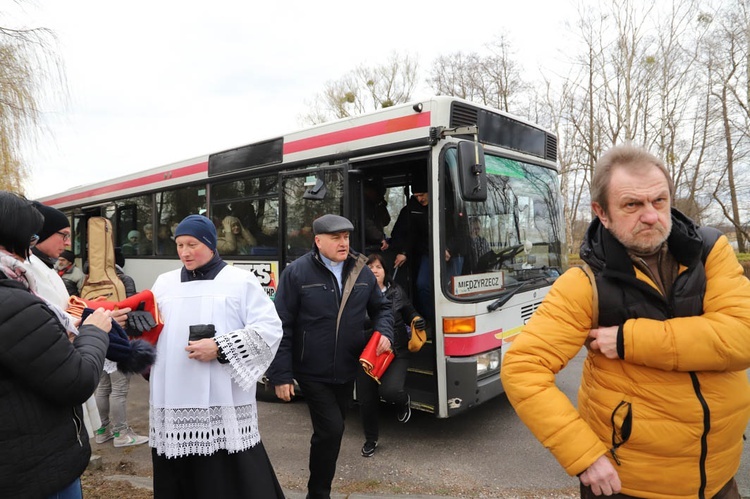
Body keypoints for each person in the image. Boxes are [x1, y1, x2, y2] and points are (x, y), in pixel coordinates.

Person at [500, 143, 750, 498]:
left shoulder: (710, 252)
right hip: (629, 486)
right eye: (632, 204)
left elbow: (742, 337)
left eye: (659, 201)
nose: (650, 216)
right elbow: (523, 369)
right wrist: (583, 456)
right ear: (601, 213)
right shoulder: (584, 284)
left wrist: (627, 341)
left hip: (720, 478)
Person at [149, 214, 285, 498]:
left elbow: (269, 329)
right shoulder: (164, 283)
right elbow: (151, 326)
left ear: (211, 244)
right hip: (173, 395)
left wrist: (221, 347)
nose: (185, 252)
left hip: (223, 397)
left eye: (192, 244)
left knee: (227, 479)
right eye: (179, 245)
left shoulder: (240, 281)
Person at [266, 214, 394, 499]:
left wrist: (385, 332)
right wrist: (282, 375)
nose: (343, 243)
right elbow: (281, 325)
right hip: (311, 369)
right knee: (332, 429)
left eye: (346, 237)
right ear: (318, 241)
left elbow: (382, 308)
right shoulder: (297, 273)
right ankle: (319, 493)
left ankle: (319, 489)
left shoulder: (361, 270)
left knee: (331, 432)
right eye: (336, 238)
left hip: (348, 366)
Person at [0, 190, 113, 499]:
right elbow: (75, 380)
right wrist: (94, 331)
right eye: (32, 236)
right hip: (33, 469)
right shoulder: (12, 299)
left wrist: (65, 325)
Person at [357, 253, 425, 458]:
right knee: (366, 400)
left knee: (390, 391)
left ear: (385, 271)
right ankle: (371, 439)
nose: (374, 270)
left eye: (378, 266)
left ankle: (403, 402)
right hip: (367, 354)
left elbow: (410, 312)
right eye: (369, 267)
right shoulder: (357, 295)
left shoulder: (396, 292)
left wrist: (416, 319)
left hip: (395, 351)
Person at [94, 246, 148, 448]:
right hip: (118, 338)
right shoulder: (124, 280)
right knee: (118, 390)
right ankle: (121, 434)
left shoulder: (90, 278)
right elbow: (130, 308)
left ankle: (102, 431)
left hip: (97, 336)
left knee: (102, 387)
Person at [363, 179, 390, 254]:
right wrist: (380, 238)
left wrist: (381, 205)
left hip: (375, 243)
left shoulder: (376, 204)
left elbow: (386, 221)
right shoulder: (362, 204)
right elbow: (366, 223)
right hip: (365, 245)